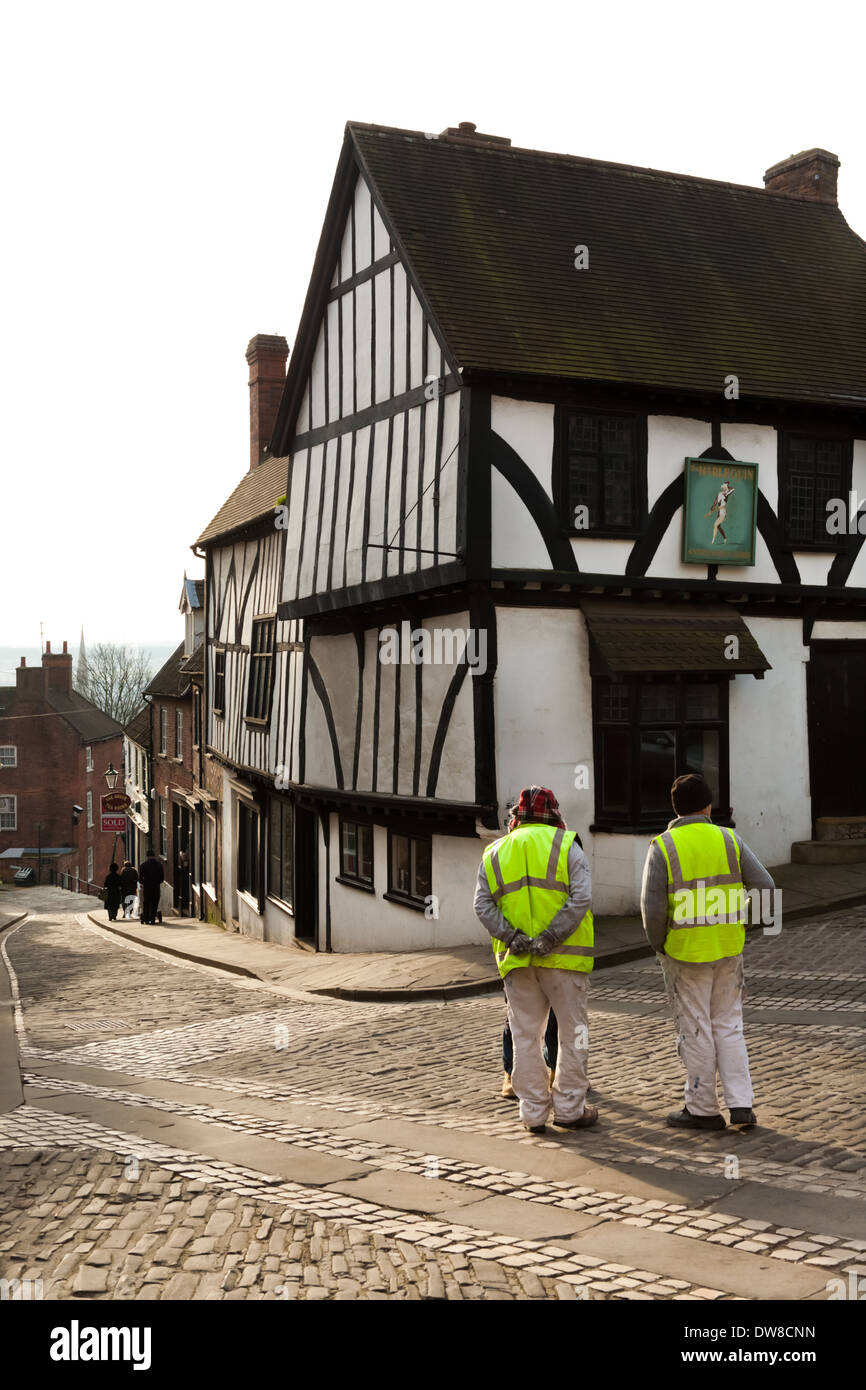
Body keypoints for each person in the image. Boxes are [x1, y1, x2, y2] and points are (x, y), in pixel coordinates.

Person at [640, 772, 775, 1132]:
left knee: (696, 1029)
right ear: (708, 806)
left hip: (685, 954)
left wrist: (660, 945)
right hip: (728, 949)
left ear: (674, 808)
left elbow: (651, 909)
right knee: (729, 1026)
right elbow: (765, 885)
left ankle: (702, 1109)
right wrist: (745, 924)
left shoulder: (663, 846)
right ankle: (742, 1104)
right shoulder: (729, 840)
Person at [475, 785, 598, 1134]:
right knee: (573, 1035)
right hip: (564, 959)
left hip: (517, 960)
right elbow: (581, 899)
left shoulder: (495, 852)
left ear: (517, 816)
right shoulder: (567, 846)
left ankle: (532, 1114)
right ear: (554, 814)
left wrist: (514, 938)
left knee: (525, 1035)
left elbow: (482, 905)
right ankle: (570, 1110)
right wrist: (549, 938)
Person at [138, 848, 164, 925]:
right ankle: (152, 919)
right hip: (156, 887)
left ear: (147, 856)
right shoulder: (159, 865)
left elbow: (140, 878)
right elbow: (162, 878)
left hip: (147, 887)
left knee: (146, 903)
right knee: (154, 903)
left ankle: (146, 919)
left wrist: (143, 883)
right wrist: (157, 882)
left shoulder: (143, 865)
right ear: (154, 855)